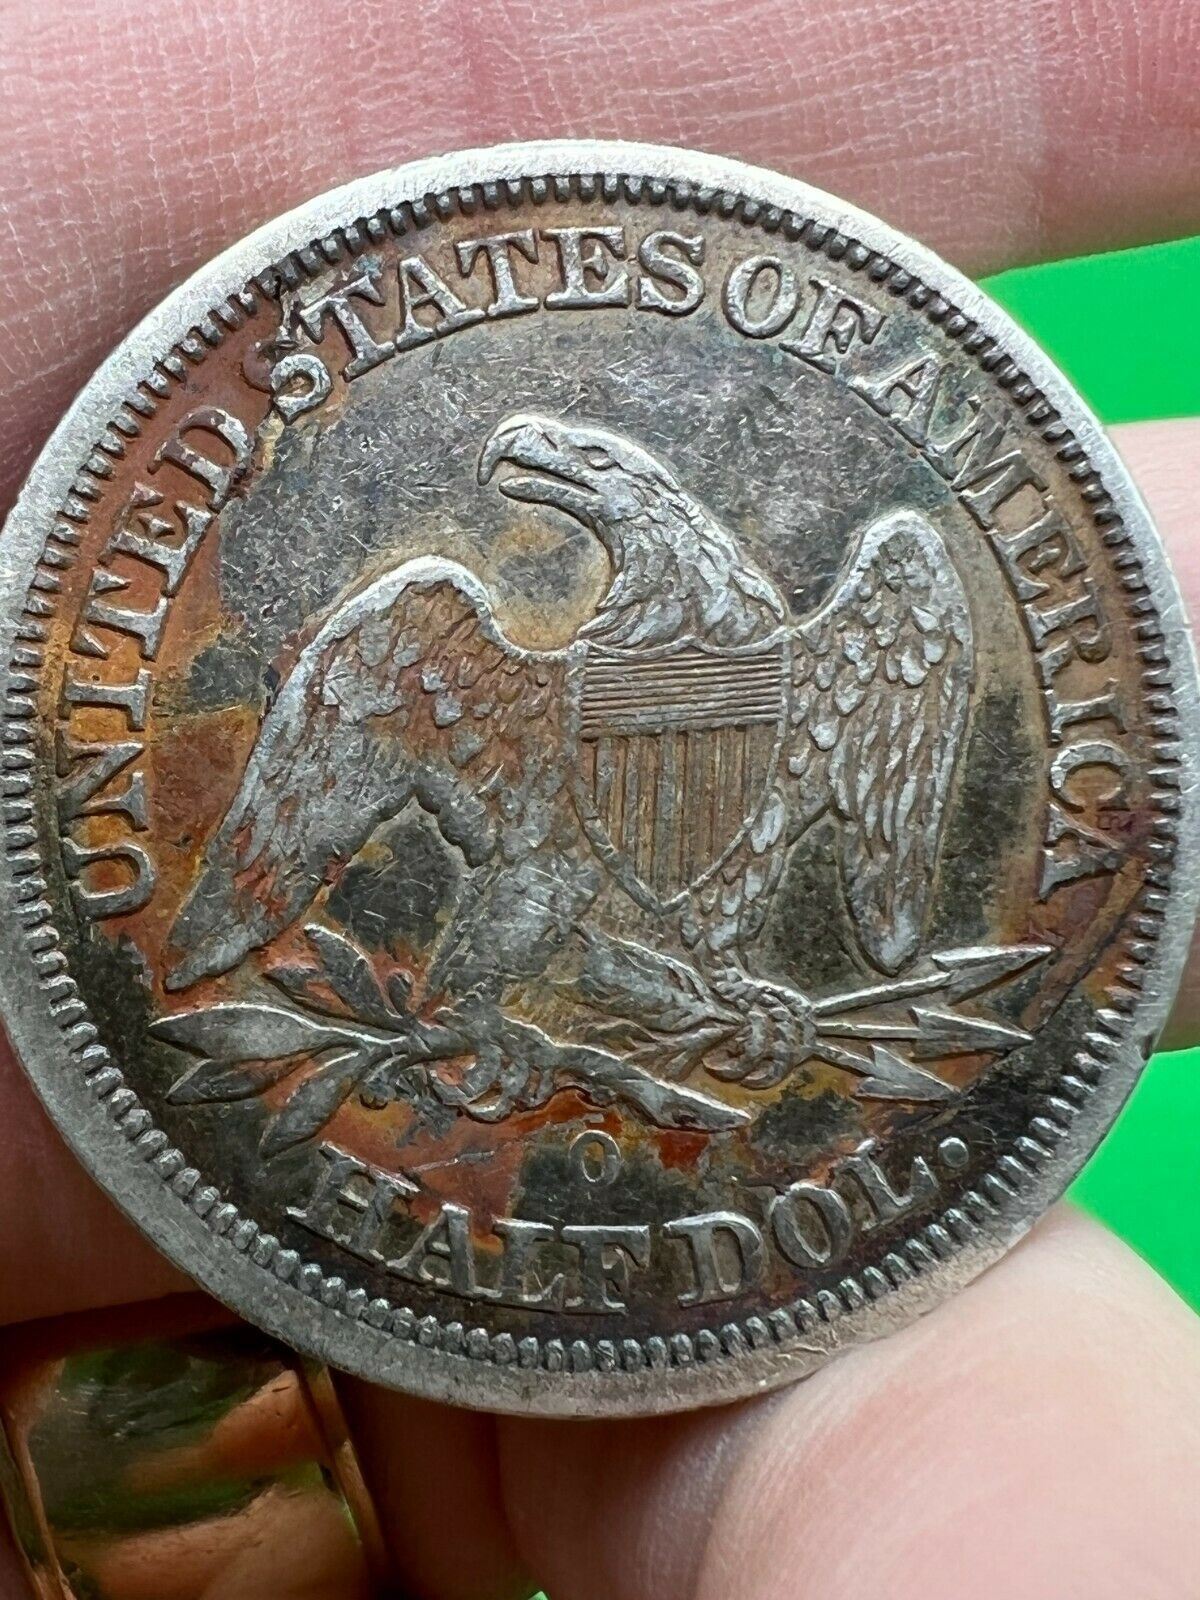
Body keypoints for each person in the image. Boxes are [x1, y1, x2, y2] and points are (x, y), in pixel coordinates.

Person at [1, 2, 1198, 1595]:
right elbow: (546, 870)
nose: (553, 471)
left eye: (594, 468)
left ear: (655, 501)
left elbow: (845, 895)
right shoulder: (482, 658)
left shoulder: (850, 625)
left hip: (688, 995)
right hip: (511, 970)